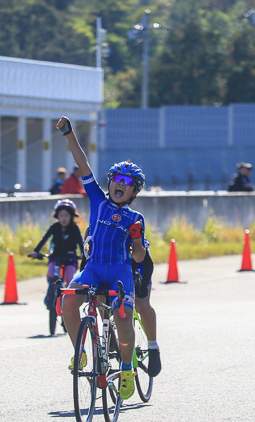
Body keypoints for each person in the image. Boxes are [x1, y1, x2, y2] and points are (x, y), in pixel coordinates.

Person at [57, 114, 146, 401]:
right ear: (110, 184)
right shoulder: (97, 199)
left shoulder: (135, 217)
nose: (119, 184)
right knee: (68, 301)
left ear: (133, 191)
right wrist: (69, 133)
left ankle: (128, 368)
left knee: (122, 319)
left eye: (127, 182)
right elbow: (83, 163)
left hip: (120, 271)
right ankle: (79, 352)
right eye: (116, 179)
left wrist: (135, 238)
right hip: (93, 268)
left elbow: (139, 255)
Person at [30, 199, 84, 308]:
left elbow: (80, 241)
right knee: (50, 274)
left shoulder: (74, 228)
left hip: (70, 258)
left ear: (72, 216)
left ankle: (69, 300)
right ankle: (50, 293)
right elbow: (44, 239)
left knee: (69, 279)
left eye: (66, 215)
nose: (63, 218)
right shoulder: (54, 227)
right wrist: (36, 251)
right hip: (55, 257)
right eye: (61, 215)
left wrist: (84, 253)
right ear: (57, 216)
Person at [132, 243, 162, 377]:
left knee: (141, 304)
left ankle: (153, 347)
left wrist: (143, 286)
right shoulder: (95, 228)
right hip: (111, 266)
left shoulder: (131, 222)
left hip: (139, 264)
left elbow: (147, 263)